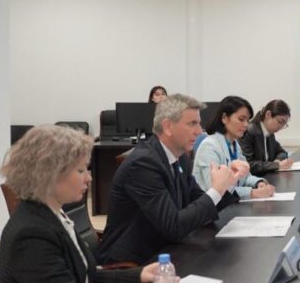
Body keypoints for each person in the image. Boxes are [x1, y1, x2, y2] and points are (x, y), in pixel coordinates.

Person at [0, 125, 158, 283]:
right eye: (80, 170)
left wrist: (140, 275)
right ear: (49, 174)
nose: (89, 177)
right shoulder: (31, 233)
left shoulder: (54, 214)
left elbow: (86, 275)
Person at [98, 94, 248, 264]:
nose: (200, 131)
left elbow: (198, 202)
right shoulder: (143, 164)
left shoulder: (180, 157)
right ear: (168, 127)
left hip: (167, 249)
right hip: (133, 263)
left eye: (199, 123)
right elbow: (174, 227)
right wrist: (216, 190)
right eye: (192, 123)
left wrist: (227, 182)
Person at [194, 96, 276, 200]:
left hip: (231, 204)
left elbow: (245, 177)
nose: (246, 125)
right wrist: (252, 193)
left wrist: (258, 183)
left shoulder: (234, 144)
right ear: (224, 118)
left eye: (247, 120)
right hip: (214, 208)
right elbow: (215, 189)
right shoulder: (209, 147)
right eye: (241, 119)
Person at [239, 99, 293, 175]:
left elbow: (282, 152)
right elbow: (248, 164)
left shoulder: (270, 133)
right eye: (280, 122)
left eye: (284, 125)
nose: (280, 127)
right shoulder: (249, 131)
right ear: (268, 114)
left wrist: (277, 160)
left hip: (267, 177)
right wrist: (276, 165)